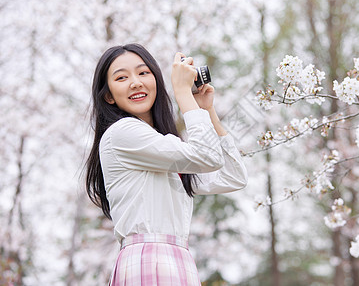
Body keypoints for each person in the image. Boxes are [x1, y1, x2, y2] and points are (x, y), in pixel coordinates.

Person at [85, 43, 248, 286]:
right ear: (108, 95)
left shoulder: (161, 148)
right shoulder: (122, 133)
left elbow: (234, 177)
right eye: (121, 77)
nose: (136, 82)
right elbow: (208, 157)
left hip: (177, 260)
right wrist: (183, 95)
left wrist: (207, 111)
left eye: (143, 73)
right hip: (148, 260)